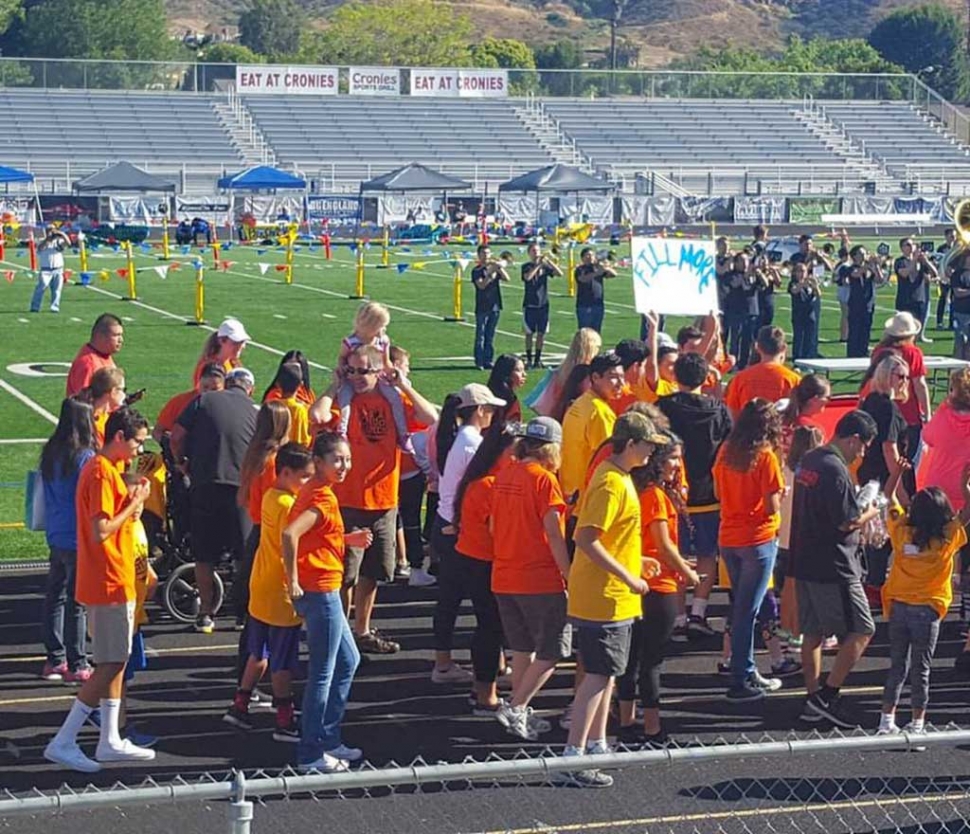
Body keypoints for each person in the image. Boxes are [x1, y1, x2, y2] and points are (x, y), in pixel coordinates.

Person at [43, 408, 154, 773]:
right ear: (119, 437)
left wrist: (131, 495)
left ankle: (109, 739)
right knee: (108, 664)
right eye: (137, 441)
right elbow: (101, 530)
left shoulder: (105, 471)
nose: (139, 449)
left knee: (116, 660)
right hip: (109, 578)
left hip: (110, 576)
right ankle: (65, 739)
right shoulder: (101, 472)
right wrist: (136, 504)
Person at [561, 412, 666, 788]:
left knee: (606, 676)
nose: (653, 451)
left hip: (613, 597)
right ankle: (574, 755)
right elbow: (586, 539)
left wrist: (637, 561)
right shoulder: (610, 482)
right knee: (598, 676)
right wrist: (628, 575)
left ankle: (596, 744)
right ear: (631, 444)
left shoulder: (617, 478)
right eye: (649, 445)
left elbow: (608, 540)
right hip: (604, 597)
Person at [329, 345, 437, 654]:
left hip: (384, 501)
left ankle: (361, 630)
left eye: (364, 371)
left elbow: (430, 417)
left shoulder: (393, 400)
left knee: (374, 573)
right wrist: (334, 383)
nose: (357, 377)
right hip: (348, 501)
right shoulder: (343, 400)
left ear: (378, 371)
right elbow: (318, 415)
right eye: (352, 370)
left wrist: (402, 383)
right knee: (346, 575)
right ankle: (340, 633)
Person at [283, 433, 373, 773]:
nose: (344, 466)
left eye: (347, 460)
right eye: (337, 459)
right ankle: (310, 753)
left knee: (348, 661)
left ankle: (328, 737)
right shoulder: (320, 498)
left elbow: (314, 534)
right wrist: (292, 580)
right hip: (320, 590)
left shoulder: (322, 494)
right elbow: (290, 534)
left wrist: (347, 539)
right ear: (318, 462)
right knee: (323, 672)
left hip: (323, 588)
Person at [789, 410, 880, 728]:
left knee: (812, 632)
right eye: (864, 445)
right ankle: (828, 695)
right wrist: (873, 508)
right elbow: (847, 520)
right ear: (853, 439)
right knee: (863, 629)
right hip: (835, 564)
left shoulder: (810, 460)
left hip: (805, 559)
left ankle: (813, 698)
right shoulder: (835, 469)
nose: (863, 452)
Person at [225, 442, 313, 742]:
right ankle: (284, 719)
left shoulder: (270, 496)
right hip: (280, 590)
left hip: (261, 584)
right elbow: (295, 541)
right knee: (283, 659)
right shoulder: (290, 505)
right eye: (304, 477)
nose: (307, 484)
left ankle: (240, 703)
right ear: (287, 472)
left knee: (257, 652)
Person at [616, 430, 699, 746]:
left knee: (632, 657)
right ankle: (652, 728)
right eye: (674, 458)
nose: (679, 465)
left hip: (634, 580)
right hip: (658, 585)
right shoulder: (655, 496)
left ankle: (627, 723)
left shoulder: (634, 490)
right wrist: (688, 573)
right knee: (651, 660)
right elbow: (663, 546)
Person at [491, 417, 571, 742]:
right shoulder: (544, 480)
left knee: (522, 650)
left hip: (504, 575)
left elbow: (494, 526)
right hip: (539, 578)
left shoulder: (505, 473)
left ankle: (520, 713)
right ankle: (516, 707)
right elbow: (553, 533)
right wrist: (569, 574)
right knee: (552, 651)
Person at [878, 476, 970, 736]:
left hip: (899, 607)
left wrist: (896, 474)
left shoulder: (900, 532)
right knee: (922, 669)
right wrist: (964, 485)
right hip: (928, 611)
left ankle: (886, 720)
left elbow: (889, 496)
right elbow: (967, 513)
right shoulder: (948, 537)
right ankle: (918, 723)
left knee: (898, 665)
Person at [170, 368, 258, 634]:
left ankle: (206, 613)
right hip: (240, 489)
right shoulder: (256, 411)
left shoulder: (204, 400)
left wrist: (182, 462)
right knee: (244, 553)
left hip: (205, 483)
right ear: (250, 389)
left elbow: (176, 436)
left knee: (204, 554)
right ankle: (244, 612)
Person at [432, 383, 506, 684]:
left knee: (450, 599)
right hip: (457, 528)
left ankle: (446, 663)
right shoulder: (472, 443)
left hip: (445, 522)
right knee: (484, 605)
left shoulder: (460, 437)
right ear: (479, 410)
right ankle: (477, 668)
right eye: (489, 409)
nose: (492, 414)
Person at [712, 399, 786, 702]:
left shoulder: (726, 451)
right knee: (747, 612)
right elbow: (770, 506)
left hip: (729, 536)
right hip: (757, 539)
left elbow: (717, 492)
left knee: (742, 610)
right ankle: (740, 678)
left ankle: (747, 668)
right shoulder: (765, 456)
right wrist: (781, 494)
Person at [658, 352, 732, 638]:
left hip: (672, 494)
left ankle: (677, 615)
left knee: (674, 554)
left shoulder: (663, 408)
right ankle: (698, 611)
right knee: (706, 554)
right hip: (709, 493)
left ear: (676, 376)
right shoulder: (719, 410)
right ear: (706, 378)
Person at [453, 422, 517, 715]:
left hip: (474, 558)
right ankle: (485, 696)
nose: (518, 460)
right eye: (514, 454)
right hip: (485, 562)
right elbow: (498, 530)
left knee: (489, 626)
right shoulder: (491, 485)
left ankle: (486, 685)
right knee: (490, 627)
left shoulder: (480, 480)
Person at [38, 399, 97, 684]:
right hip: (77, 537)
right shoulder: (84, 457)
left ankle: (55, 658)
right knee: (78, 602)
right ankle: (78, 662)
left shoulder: (51, 452)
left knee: (55, 597)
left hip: (56, 532)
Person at [560, 352, 625, 502]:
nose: (621, 383)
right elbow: (608, 458)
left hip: (570, 492)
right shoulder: (600, 412)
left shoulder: (581, 403)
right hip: (586, 497)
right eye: (613, 377)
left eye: (622, 377)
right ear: (595, 377)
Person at [869, 312, 932, 466]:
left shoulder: (879, 351)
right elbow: (919, 384)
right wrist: (927, 413)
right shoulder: (913, 352)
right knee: (909, 464)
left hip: (881, 411)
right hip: (908, 414)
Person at [724, 326, 800, 420]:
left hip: (747, 432)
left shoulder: (741, 378)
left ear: (757, 347)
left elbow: (733, 414)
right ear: (783, 348)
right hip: (779, 432)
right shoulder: (793, 380)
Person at [528, 327, 601, 418]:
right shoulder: (587, 375)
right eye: (598, 347)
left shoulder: (558, 372)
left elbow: (537, 403)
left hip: (558, 419)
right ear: (591, 348)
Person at [152, 363, 226, 444]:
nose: (208, 393)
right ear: (199, 382)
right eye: (205, 387)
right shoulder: (179, 401)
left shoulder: (230, 407)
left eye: (214, 389)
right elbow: (157, 431)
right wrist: (168, 444)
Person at [521, 241, 563, 368]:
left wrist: (549, 262)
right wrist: (538, 266)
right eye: (533, 251)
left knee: (541, 333)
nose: (537, 253)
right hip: (529, 304)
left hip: (543, 304)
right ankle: (529, 359)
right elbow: (528, 278)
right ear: (529, 253)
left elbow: (559, 273)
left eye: (538, 250)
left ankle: (537, 359)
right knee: (529, 333)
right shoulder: (526, 266)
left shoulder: (545, 267)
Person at [66, 313, 124, 397]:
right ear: (100, 336)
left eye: (121, 335)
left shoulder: (104, 355)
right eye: (116, 335)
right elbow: (84, 403)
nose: (121, 340)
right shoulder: (88, 364)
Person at [471, 244, 509, 370]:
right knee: (480, 335)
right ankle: (479, 361)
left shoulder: (493, 268)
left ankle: (488, 360)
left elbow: (507, 278)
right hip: (482, 306)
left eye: (488, 253)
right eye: (483, 254)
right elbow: (481, 286)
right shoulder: (476, 271)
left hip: (495, 305)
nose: (486, 256)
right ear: (479, 255)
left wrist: (498, 268)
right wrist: (489, 274)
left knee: (490, 335)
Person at [719, 252, 759, 370]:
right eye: (741, 261)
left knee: (748, 339)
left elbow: (762, 285)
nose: (745, 263)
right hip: (736, 311)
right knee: (736, 339)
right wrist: (745, 278)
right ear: (736, 263)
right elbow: (732, 286)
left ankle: (744, 362)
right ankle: (733, 362)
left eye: (746, 260)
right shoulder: (731, 276)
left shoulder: (752, 276)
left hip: (751, 311)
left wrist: (758, 274)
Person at [894, 238, 938, 345]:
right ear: (902, 248)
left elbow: (935, 273)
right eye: (907, 245)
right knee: (905, 332)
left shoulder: (921, 262)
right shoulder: (900, 261)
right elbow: (904, 273)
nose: (911, 247)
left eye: (912, 244)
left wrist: (926, 261)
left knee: (915, 331)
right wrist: (914, 260)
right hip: (905, 300)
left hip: (920, 299)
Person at [193, 317, 250, 387]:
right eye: (235, 343)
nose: (241, 346)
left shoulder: (234, 362)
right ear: (222, 340)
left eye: (242, 342)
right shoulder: (208, 368)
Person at [574, 248, 616, 332]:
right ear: (582, 258)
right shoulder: (580, 269)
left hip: (597, 305)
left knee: (597, 331)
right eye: (588, 255)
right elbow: (583, 279)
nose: (590, 257)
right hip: (584, 305)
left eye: (592, 255)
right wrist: (597, 273)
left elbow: (613, 274)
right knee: (584, 332)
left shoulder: (597, 267)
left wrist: (605, 267)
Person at [30, 225, 71, 314]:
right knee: (41, 287)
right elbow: (40, 248)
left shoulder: (58, 242)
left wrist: (61, 233)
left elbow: (68, 243)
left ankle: (55, 307)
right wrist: (48, 239)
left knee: (57, 290)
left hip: (58, 269)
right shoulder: (42, 241)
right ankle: (35, 307)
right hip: (46, 270)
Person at [788, 261, 821, 361]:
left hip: (810, 314)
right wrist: (802, 283)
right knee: (798, 337)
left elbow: (818, 295)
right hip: (799, 314)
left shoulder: (810, 284)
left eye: (804, 271)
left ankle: (808, 356)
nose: (802, 274)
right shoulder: (793, 283)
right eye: (800, 271)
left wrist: (815, 286)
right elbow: (794, 290)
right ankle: (797, 357)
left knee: (809, 337)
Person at [85, 367, 126, 448]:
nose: (124, 394)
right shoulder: (97, 425)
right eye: (123, 390)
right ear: (113, 391)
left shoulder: (101, 416)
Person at [275, 363, 312, 447]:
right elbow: (303, 441)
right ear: (301, 385)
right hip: (292, 456)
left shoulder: (273, 405)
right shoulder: (299, 409)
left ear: (278, 384)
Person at [486, 354, 526, 424]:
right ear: (506, 372)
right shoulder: (505, 401)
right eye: (518, 370)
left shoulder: (508, 396)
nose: (524, 374)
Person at [935, 228, 958, 331]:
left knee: (954, 300)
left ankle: (952, 322)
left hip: (955, 277)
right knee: (943, 298)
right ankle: (939, 322)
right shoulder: (941, 249)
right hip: (944, 277)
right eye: (951, 236)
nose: (953, 238)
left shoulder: (958, 248)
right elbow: (937, 262)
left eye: (954, 235)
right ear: (946, 237)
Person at [950, 263, 970, 361]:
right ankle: (956, 371)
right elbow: (957, 292)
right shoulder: (957, 274)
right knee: (960, 343)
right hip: (961, 313)